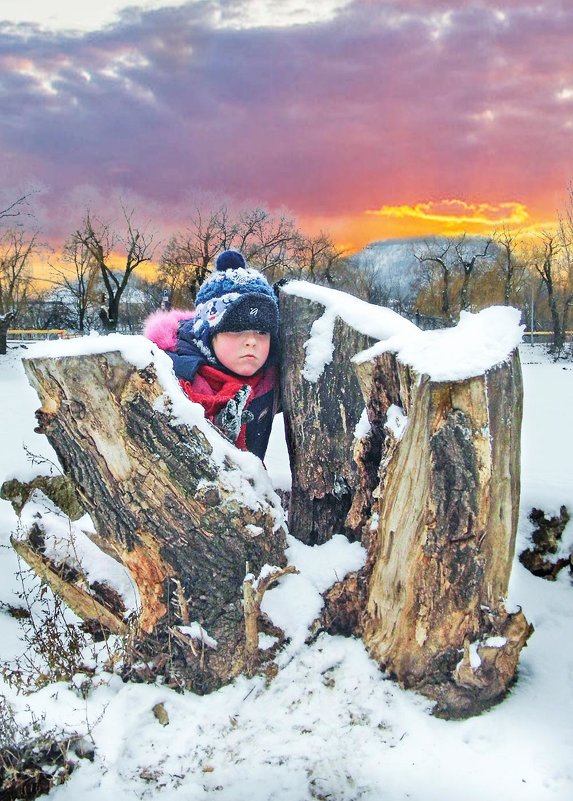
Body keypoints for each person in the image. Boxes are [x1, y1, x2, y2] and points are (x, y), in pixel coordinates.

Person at [144, 250, 280, 460]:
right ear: (207, 335)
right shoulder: (173, 376)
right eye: (236, 330)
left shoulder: (272, 378)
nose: (252, 341)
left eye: (262, 332)